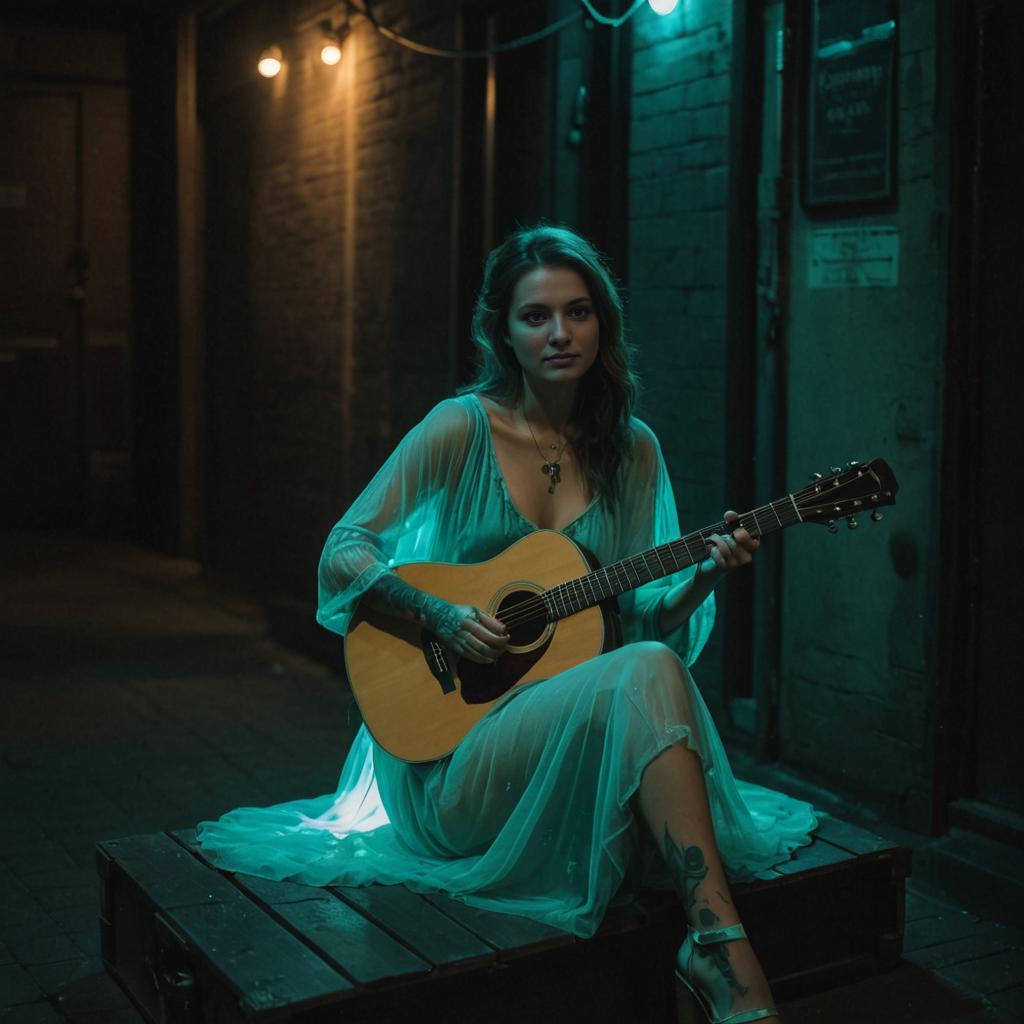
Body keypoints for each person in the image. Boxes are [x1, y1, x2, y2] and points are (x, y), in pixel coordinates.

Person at [197, 224, 816, 1023]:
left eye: (579, 312)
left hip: (563, 736)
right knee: (647, 679)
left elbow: (644, 630)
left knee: (650, 669)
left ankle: (714, 939)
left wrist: (701, 576)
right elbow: (343, 552)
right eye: (536, 317)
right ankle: (719, 952)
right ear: (503, 331)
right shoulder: (460, 429)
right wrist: (441, 616)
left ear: (604, 324)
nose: (560, 333)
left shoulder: (633, 453)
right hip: (454, 758)